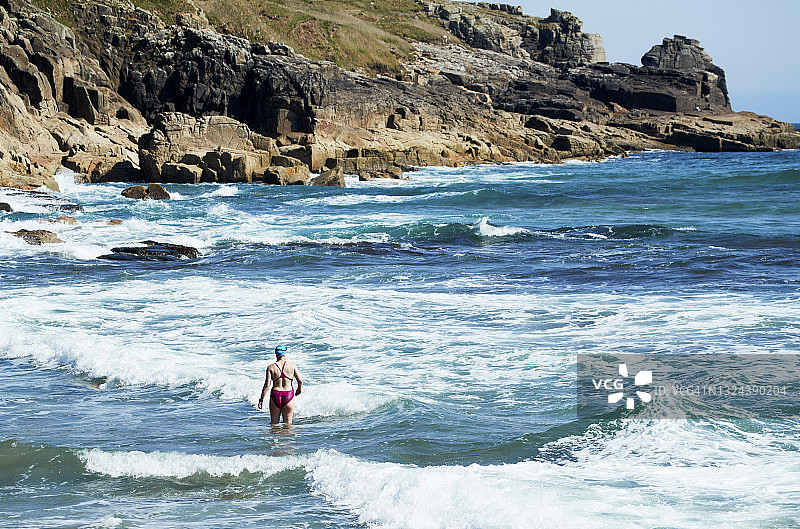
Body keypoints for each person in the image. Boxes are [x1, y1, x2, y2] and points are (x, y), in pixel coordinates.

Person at [258, 344, 303, 425]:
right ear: (285, 354)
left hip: (276, 395)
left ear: (276, 354)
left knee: (274, 424)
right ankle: (287, 438)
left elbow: (267, 385)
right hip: (288, 394)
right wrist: (299, 389)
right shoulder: (292, 366)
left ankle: (275, 437)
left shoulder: (271, 367)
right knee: (288, 424)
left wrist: (261, 399)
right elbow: (300, 381)